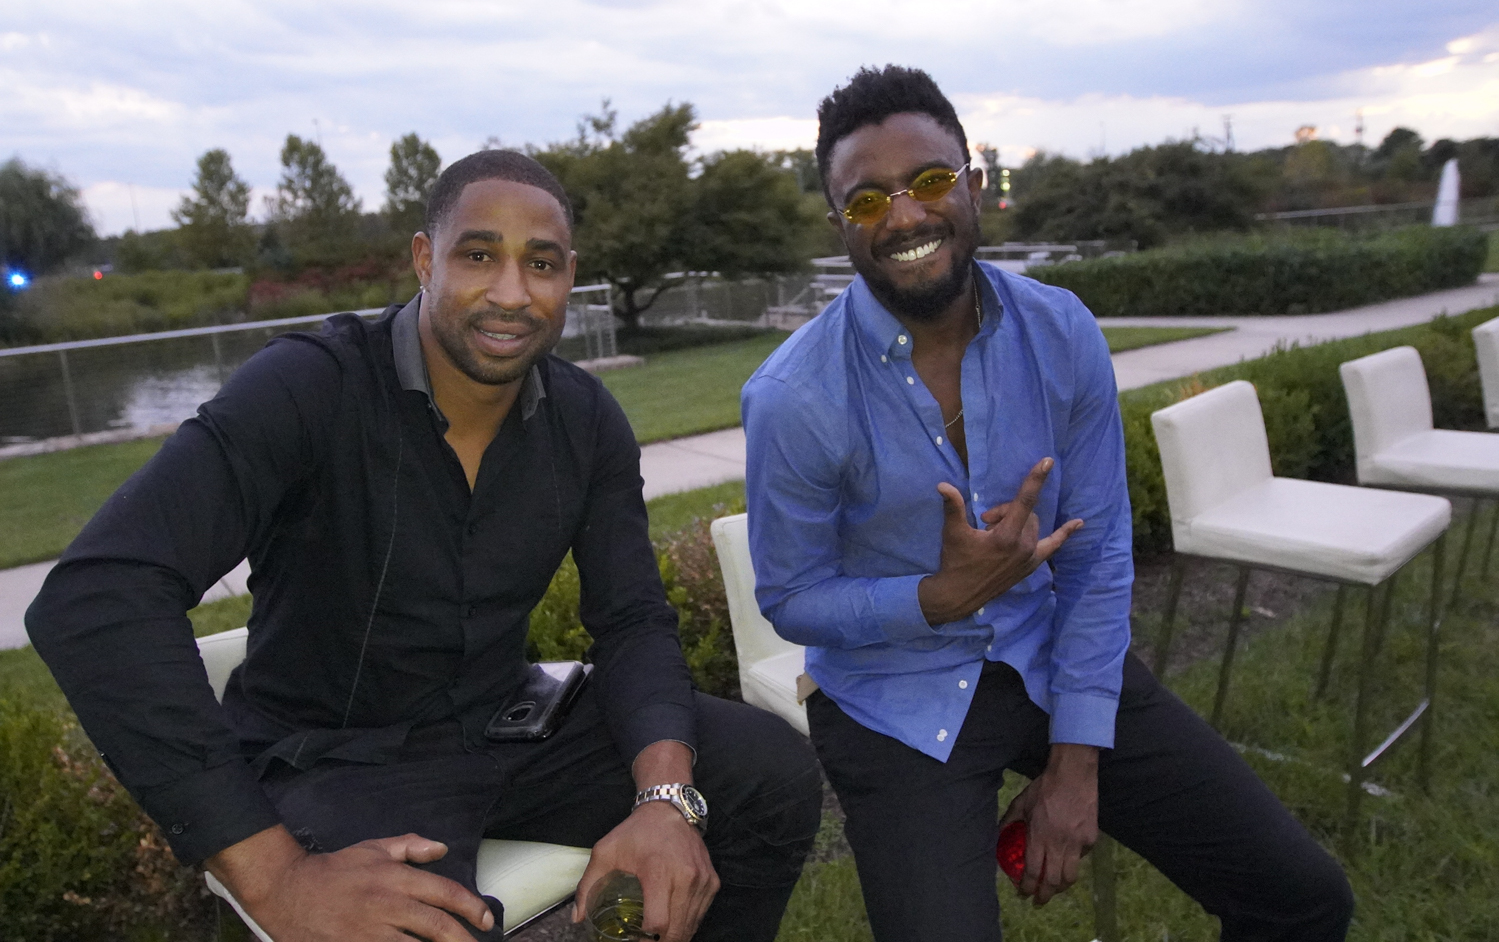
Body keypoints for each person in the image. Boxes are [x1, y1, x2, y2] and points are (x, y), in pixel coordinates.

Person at [27, 150, 821, 942]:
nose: (510, 292)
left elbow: (632, 619)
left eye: (540, 263)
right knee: (424, 924)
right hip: (337, 760)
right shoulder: (307, 387)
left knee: (770, 772)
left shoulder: (586, 420)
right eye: (478, 255)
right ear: (423, 259)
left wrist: (664, 799)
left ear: (569, 277)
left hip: (507, 726)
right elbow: (99, 596)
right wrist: (273, 874)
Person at [741, 66, 1354, 942]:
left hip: (1046, 653)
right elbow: (791, 597)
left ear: (973, 183)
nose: (904, 216)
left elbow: (1097, 552)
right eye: (867, 199)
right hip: (891, 697)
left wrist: (1076, 761)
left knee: (1301, 897)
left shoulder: (1060, 330)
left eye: (928, 180)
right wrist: (934, 597)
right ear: (839, 222)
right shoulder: (792, 397)